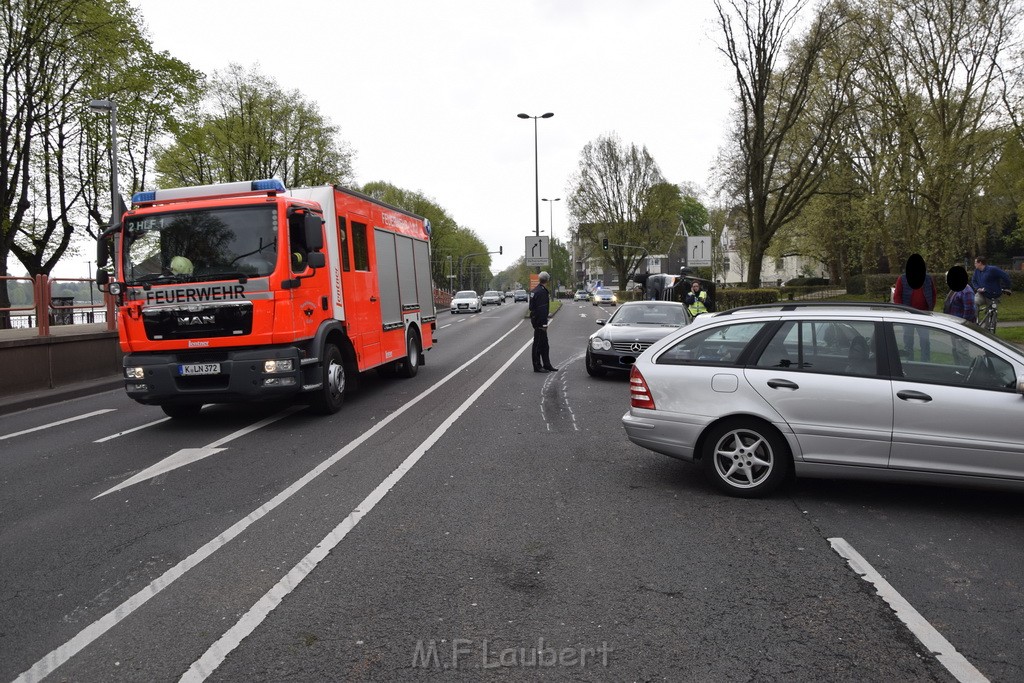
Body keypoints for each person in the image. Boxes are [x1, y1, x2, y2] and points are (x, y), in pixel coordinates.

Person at [893, 253, 935, 361]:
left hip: (924, 314)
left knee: (925, 341)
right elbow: (897, 296)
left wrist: (930, 310)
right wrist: (902, 311)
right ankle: (909, 363)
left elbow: (933, 294)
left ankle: (926, 364)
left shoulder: (928, 278)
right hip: (908, 314)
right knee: (908, 341)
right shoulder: (902, 279)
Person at [944, 265, 975, 365]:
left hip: (961, 325)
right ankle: (958, 369)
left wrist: (963, 325)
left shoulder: (967, 291)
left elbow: (969, 310)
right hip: (954, 324)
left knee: (962, 351)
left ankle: (966, 370)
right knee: (955, 350)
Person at [529, 271, 557, 373]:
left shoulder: (535, 290)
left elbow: (531, 307)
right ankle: (537, 366)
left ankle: (547, 364)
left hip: (536, 319)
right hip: (540, 322)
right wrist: (544, 324)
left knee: (544, 344)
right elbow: (542, 309)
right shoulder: (542, 292)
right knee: (538, 344)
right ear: (547, 280)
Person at [971, 256, 1011, 321]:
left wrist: (1006, 287)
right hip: (982, 294)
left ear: (980, 263)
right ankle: (974, 321)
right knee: (973, 303)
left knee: (991, 315)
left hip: (993, 296)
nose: (974, 264)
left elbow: (1005, 276)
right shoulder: (976, 271)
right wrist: (978, 288)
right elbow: (974, 281)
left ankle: (988, 329)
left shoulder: (992, 269)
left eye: (975, 262)